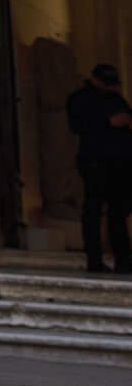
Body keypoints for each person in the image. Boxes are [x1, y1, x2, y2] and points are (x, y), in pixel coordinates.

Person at [66, 60, 132, 272]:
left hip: (119, 162)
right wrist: (108, 122)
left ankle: (123, 259)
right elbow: (77, 125)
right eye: (106, 82)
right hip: (94, 161)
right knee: (93, 210)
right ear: (94, 79)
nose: (109, 87)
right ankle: (94, 260)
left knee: (119, 211)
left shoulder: (116, 99)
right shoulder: (80, 99)